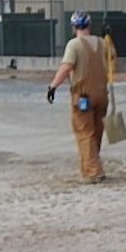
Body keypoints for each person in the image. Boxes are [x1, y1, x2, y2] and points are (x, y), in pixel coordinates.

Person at [47, 10, 112, 182]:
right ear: (90, 25)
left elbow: (66, 67)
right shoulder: (102, 43)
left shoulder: (74, 45)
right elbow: (112, 61)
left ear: (74, 27)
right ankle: (89, 167)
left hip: (83, 96)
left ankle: (93, 172)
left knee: (85, 133)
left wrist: (53, 86)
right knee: (96, 132)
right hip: (102, 94)